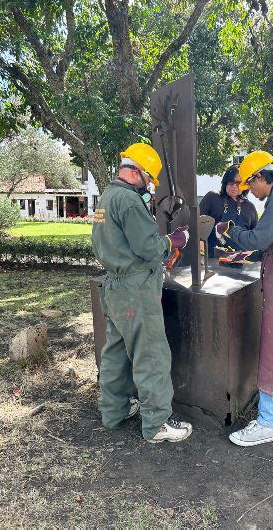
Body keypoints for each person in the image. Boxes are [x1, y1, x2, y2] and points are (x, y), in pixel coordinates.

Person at [92, 142, 193, 444]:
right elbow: (148, 246)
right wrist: (174, 241)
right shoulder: (130, 201)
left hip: (113, 286)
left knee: (116, 352)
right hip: (136, 290)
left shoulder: (105, 198)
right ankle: (156, 423)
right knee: (151, 355)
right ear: (136, 172)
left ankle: (113, 412)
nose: (150, 185)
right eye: (149, 178)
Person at [215, 151, 273, 447]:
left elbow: (259, 239)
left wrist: (231, 232)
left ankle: (266, 422)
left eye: (248, 185)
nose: (248, 192)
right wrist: (246, 252)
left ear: (260, 177)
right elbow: (271, 243)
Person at [199, 165, 258, 257]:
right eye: (231, 182)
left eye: (238, 183)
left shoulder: (250, 207)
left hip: (240, 260)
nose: (234, 186)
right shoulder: (212, 197)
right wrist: (199, 241)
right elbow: (196, 223)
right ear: (225, 182)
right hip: (212, 258)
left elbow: (255, 237)